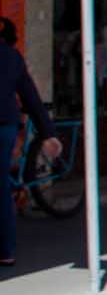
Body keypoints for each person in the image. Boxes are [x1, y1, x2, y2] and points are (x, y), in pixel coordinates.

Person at [0, 17, 62, 271]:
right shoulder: (12, 57)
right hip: (6, 126)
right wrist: (48, 132)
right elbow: (31, 97)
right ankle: (6, 251)